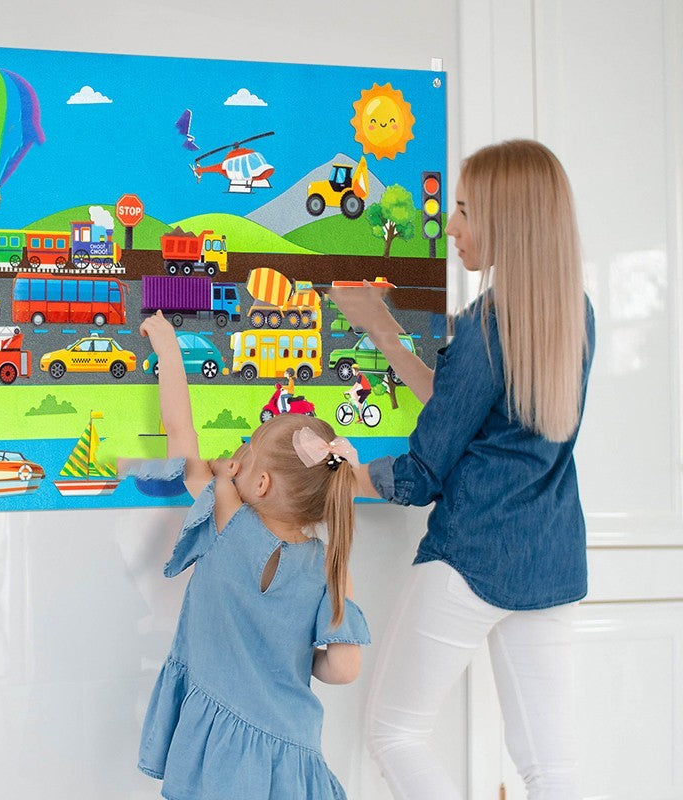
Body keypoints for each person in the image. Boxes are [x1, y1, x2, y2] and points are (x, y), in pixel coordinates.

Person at [328, 139, 595, 800]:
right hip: (551, 562)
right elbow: (469, 414)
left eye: (466, 210)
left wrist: (341, 472)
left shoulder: (485, 326)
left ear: (508, 220)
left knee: (395, 735)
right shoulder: (572, 316)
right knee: (550, 766)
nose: (450, 226)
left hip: (471, 560)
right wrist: (385, 333)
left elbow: (422, 473)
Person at [127, 310, 371, 800]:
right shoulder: (330, 561)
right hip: (292, 758)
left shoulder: (226, 518)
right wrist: (301, 657)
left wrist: (169, 348)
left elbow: (182, 437)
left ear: (259, 483)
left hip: (221, 759)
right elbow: (344, 668)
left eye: (246, 448)